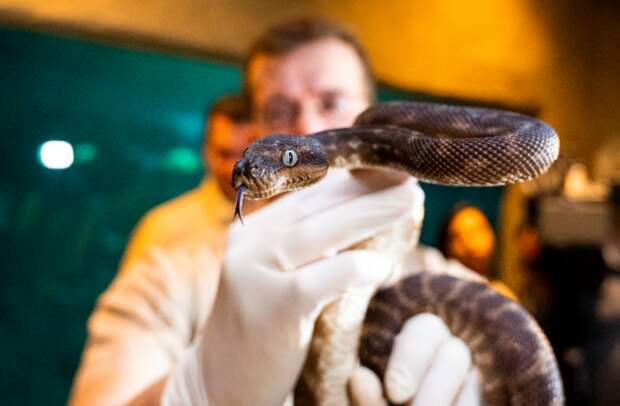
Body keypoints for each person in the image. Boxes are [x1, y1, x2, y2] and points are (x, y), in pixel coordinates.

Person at [69, 18, 481, 406]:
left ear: (372, 116)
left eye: (332, 102)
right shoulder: (169, 280)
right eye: (279, 111)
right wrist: (196, 390)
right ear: (255, 132)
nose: (307, 128)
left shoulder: (442, 280)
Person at [119, 94, 254, 271]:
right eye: (224, 154)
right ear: (205, 150)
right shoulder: (163, 228)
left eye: (247, 155)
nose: (235, 168)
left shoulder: (286, 222)